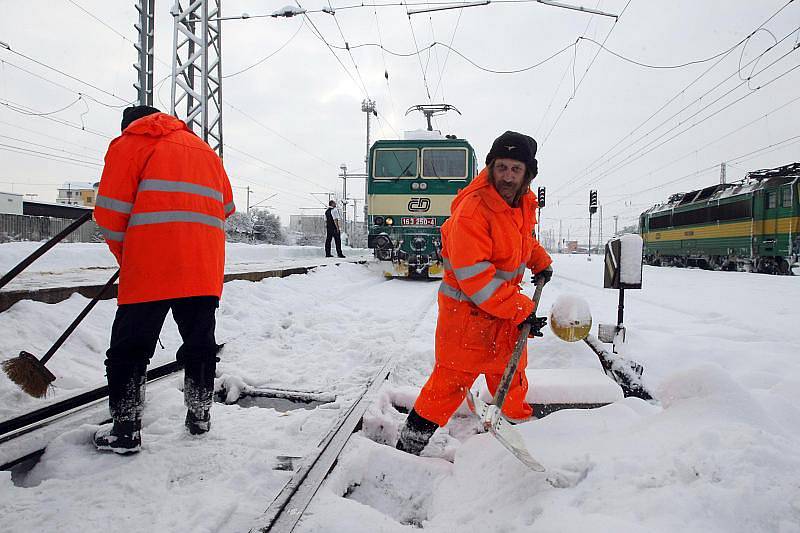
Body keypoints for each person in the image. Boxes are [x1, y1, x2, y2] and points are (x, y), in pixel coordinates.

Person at [396, 130, 554, 455]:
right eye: (501, 167)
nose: (507, 177)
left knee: (511, 385)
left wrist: (540, 261)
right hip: (466, 319)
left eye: (515, 169)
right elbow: (476, 278)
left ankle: (517, 450)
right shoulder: (473, 211)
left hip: (502, 316)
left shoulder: (522, 203)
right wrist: (522, 308)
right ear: (491, 167)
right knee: (446, 389)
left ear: (527, 174)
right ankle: (406, 449)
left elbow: (521, 239)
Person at [92, 105, 235, 454]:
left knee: (130, 349)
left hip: (150, 267)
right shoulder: (203, 150)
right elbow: (226, 207)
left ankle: (125, 430)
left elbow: (110, 213)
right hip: (202, 266)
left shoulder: (130, 143)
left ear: (130, 124)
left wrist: (129, 255)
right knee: (200, 344)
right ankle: (200, 416)